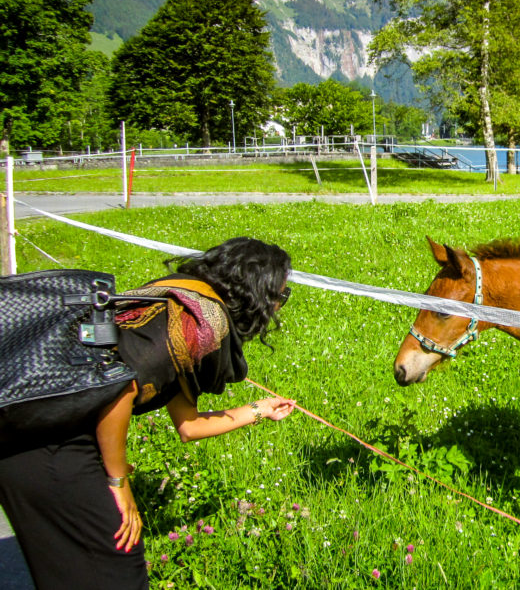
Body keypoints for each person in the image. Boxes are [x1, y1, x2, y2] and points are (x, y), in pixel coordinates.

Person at [0, 237, 297, 589]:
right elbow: (118, 389)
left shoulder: (175, 301)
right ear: (256, 294)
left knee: (68, 572)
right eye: (280, 295)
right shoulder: (199, 324)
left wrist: (259, 410)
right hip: (56, 445)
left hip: (25, 437)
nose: (279, 305)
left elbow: (188, 425)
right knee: (116, 570)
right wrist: (118, 481)